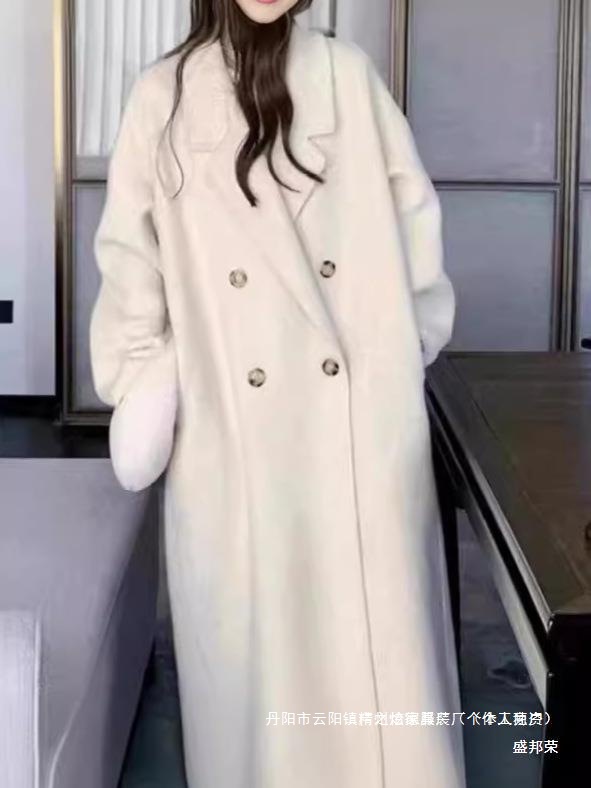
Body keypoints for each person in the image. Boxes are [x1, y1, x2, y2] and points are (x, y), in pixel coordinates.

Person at [89, 1, 467, 786]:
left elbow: (415, 229)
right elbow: (130, 266)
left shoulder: (347, 78)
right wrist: (143, 380)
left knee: (373, 667)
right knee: (260, 669)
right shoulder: (162, 96)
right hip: (232, 430)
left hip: (358, 424)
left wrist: (398, 353)